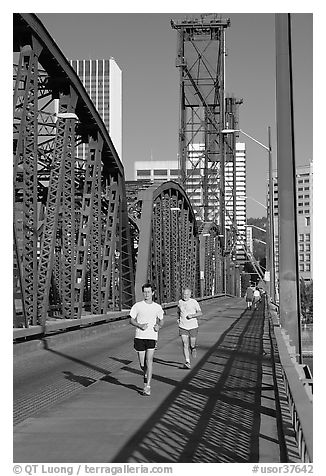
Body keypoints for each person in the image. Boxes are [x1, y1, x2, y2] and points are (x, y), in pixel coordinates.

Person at [129, 283, 164, 396]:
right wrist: (140, 325)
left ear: (153, 293)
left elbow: (161, 320)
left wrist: (159, 326)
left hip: (152, 336)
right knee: (142, 364)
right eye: (145, 292)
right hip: (140, 336)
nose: (146, 294)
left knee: (149, 361)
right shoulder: (137, 306)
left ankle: (147, 386)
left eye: (149, 292)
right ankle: (145, 374)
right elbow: (131, 320)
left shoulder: (157, 307)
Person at [177, 287, 202, 369]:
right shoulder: (180, 302)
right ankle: (187, 362)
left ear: (190, 294)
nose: (185, 296)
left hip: (193, 326)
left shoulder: (194, 302)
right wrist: (178, 318)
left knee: (192, 343)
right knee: (185, 343)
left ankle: (193, 348)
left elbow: (200, 313)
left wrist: (192, 315)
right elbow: (178, 311)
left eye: (187, 294)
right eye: (184, 294)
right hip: (183, 326)